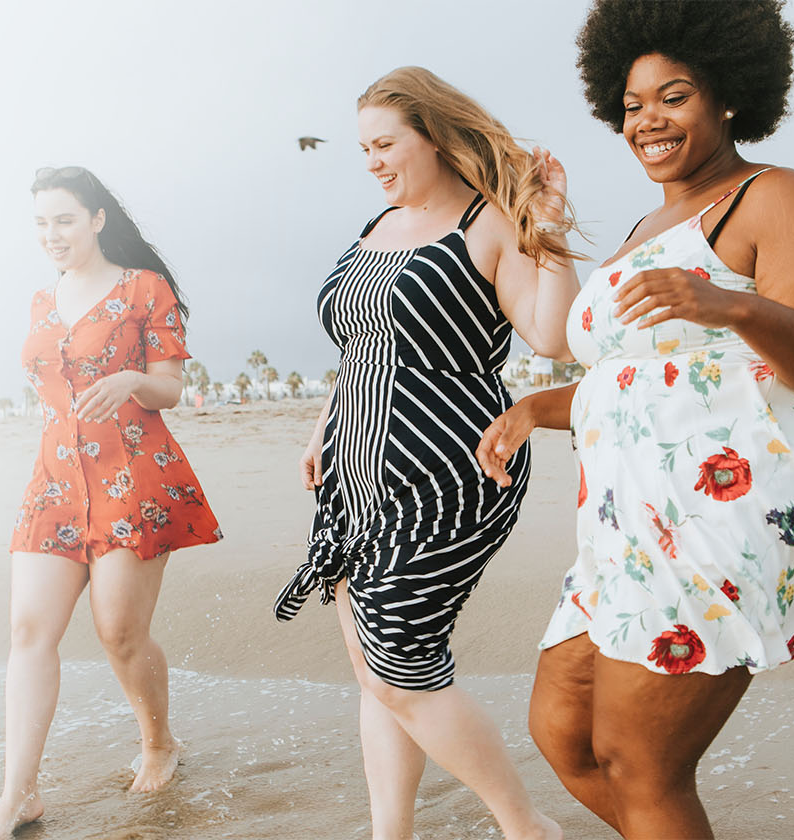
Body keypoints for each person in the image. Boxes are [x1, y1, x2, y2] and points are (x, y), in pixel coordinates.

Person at [474, 2, 794, 837]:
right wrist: (538, 405)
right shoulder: (645, 228)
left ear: (728, 98)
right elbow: (648, 383)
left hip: (714, 521)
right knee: (563, 734)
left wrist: (730, 308)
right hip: (624, 529)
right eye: (633, 105)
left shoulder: (774, 196)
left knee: (644, 765)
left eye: (673, 97)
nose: (649, 121)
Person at [273, 66, 580, 840]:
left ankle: (526, 825)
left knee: (400, 665)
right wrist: (322, 428)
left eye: (385, 144)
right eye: (363, 149)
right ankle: (392, 833)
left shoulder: (490, 225)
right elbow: (363, 348)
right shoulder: (375, 228)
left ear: (434, 136)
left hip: (452, 470)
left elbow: (549, 335)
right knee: (369, 667)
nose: (372, 161)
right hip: (355, 471)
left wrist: (550, 226)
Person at [0, 166, 223, 839]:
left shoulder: (144, 288)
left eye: (63, 219)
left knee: (118, 631)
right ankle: (18, 794)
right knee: (29, 631)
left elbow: (170, 387)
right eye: (40, 223)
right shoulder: (40, 299)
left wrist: (130, 380)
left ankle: (159, 741)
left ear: (96, 219)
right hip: (56, 479)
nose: (51, 235)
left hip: (133, 473)